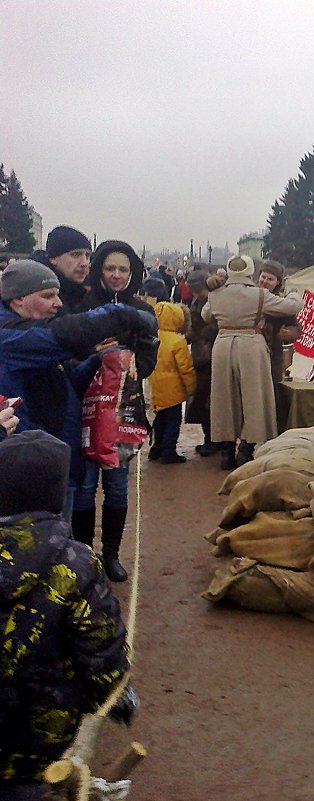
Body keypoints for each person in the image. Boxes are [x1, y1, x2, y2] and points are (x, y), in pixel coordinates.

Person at [0, 430, 129, 797]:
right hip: (44, 734)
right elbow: (100, 650)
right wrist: (116, 695)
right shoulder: (77, 563)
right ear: (57, 494)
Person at [0, 260, 158, 523]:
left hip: (57, 459)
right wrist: (123, 315)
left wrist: (102, 358)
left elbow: (70, 383)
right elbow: (66, 334)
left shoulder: (27, 334)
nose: (58, 303)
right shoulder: (10, 337)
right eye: (48, 296)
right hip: (33, 470)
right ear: (18, 300)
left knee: (64, 543)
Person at [70, 241, 158, 582]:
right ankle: (83, 554)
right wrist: (94, 352)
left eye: (123, 269)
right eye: (110, 268)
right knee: (85, 485)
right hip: (86, 406)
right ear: (100, 270)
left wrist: (137, 362)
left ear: (132, 272)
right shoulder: (82, 305)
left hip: (124, 410)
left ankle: (111, 554)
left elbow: (151, 354)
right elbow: (68, 351)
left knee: (118, 486)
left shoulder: (142, 310)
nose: (117, 275)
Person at [203, 255, 300, 470]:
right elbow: (292, 307)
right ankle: (246, 450)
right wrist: (294, 294)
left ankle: (226, 451)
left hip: (222, 345)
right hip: (251, 345)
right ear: (251, 272)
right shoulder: (260, 295)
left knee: (224, 398)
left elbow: (206, 315)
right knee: (253, 399)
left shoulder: (216, 294)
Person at [148, 299, 196, 464]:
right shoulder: (177, 341)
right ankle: (169, 451)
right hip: (173, 389)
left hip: (156, 385)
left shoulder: (153, 337)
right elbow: (185, 368)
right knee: (173, 421)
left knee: (159, 419)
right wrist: (191, 388)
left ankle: (156, 448)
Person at [256, 260, 302, 430]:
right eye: (263, 277)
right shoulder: (251, 297)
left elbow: (296, 327)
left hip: (272, 357)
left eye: (270, 279)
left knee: (271, 397)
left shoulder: (280, 303)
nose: (265, 281)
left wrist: (289, 333)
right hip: (251, 356)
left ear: (277, 283)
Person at [184, 270, 219, 455]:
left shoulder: (217, 300)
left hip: (215, 356)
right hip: (201, 356)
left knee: (212, 401)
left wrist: (203, 333)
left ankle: (215, 441)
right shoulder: (196, 302)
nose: (197, 295)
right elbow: (193, 328)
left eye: (199, 291)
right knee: (203, 399)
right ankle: (209, 438)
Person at [36, 225, 93, 315]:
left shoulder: (85, 294)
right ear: (53, 258)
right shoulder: (36, 294)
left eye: (87, 256)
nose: (84, 263)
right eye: (75, 255)